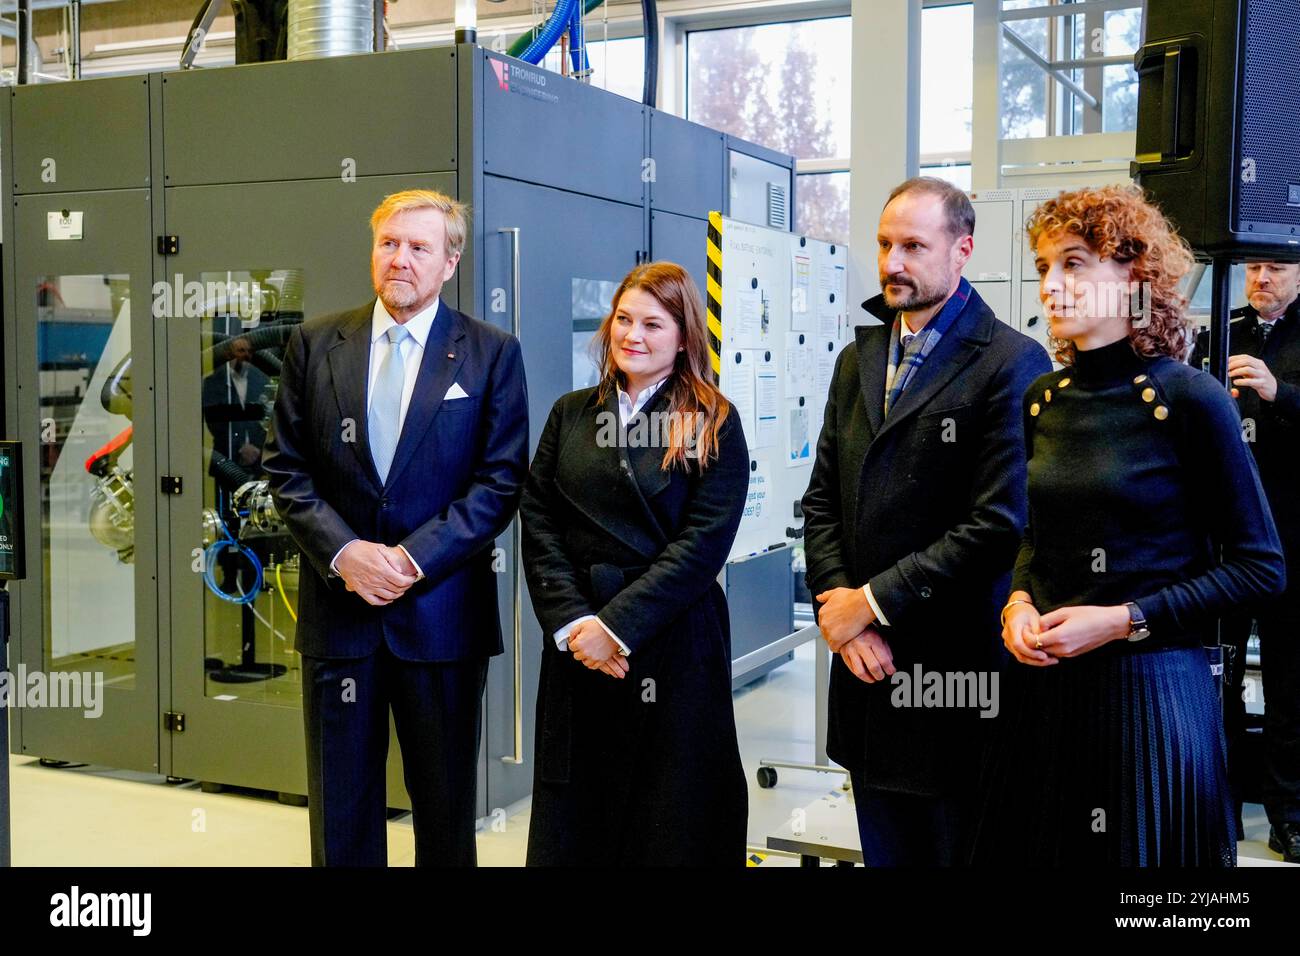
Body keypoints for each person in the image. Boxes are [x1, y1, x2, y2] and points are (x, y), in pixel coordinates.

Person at [972, 184, 1285, 866]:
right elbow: (1036, 535)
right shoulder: (1042, 400)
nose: (1051, 285)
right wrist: (1019, 601)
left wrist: (1123, 619)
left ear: (1134, 275)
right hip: (1047, 694)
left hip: (1151, 699)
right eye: (1046, 265)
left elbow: (1262, 568)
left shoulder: (1189, 397)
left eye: (1075, 263)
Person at [261, 189, 529, 866]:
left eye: (419, 247)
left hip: (440, 620)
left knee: (442, 812)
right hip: (339, 616)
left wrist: (408, 561)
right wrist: (345, 552)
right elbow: (285, 469)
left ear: (450, 261)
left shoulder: (490, 353)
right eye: (389, 244)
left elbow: (499, 482)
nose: (400, 260)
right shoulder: (315, 343)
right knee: (340, 812)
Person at [801, 177, 1051, 865]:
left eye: (913, 246)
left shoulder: (1011, 362)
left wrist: (870, 604)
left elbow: (999, 523)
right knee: (884, 850)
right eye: (885, 244)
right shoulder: (860, 358)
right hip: (863, 671)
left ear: (962, 250)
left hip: (952, 672)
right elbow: (822, 496)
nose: (892, 263)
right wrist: (836, 610)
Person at [520, 261, 749, 866]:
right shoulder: (571, 413)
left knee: (668, 816)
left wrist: (615, 627)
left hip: (671, 644)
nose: (633, 335)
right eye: (623, 319)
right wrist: (573, 624)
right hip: (578, 646)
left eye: (653, 323)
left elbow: (702, 545)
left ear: (683, 336)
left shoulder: (712, 421)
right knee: (579, 812)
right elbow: (538, 517)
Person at [1189, 261, 1300, 862]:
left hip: (1291, 540)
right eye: (1253, 267)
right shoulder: (1219, 334)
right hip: (1225, 544)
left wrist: (1278, 392)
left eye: (1275, 267)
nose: (1261, 277)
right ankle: (1217, 810)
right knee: (1217, 682)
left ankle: (1289, 816)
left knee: (1290, 689)